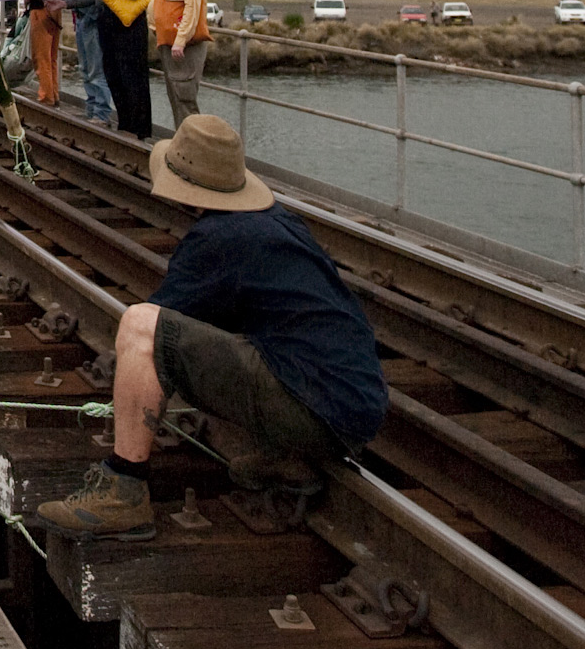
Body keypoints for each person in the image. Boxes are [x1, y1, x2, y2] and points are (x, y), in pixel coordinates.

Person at [35, 115, 388, 540]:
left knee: (140, 326)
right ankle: (289, 458)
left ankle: (123, 492)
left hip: (314, 408)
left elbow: (159, 336)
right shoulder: (279, 222)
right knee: (255, 340)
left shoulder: (217, 237)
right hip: (354, 409)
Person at [78, 0, 153, 141]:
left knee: (131, 75)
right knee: (113, 74)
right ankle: (126, 124)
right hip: (107, 20)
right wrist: (64, 3)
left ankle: (139, 129)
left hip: (128, 23)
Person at [151, 0, 210, 127]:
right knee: (177, 96)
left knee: (184, 98)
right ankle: (183, 146)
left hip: (182, 46)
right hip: (171, 43)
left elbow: (193, 5)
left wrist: (181, 40)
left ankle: (193, 150)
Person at [57, 0, 116, 128]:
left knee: (96, 70)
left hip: (91, 19)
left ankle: (101, 113)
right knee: (85, 69)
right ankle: (91, 109)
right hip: (81, 19)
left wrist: (69, 3)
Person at [29, 0, 65, 107]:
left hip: (39, 10)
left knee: (41, 57)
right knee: (52, 57)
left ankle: (46, 97)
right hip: (55, 10)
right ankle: (54, 94)